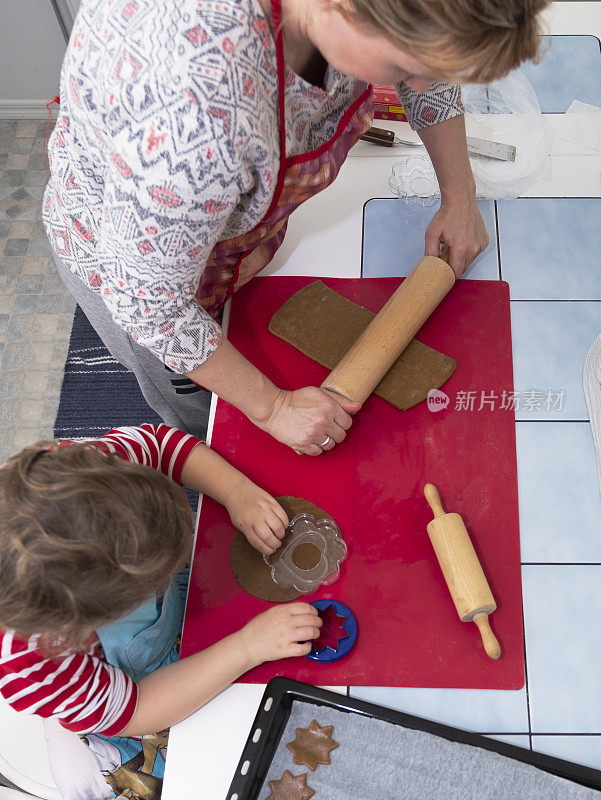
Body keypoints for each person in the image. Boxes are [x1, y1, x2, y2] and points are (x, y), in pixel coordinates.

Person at [44, 0, 546, 454]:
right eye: (404, 69)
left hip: (220, 234)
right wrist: (272, 409)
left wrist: (459, 197)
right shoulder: (192, 111)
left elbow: (426, 58)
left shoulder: (365, 20)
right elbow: (147, 304)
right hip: (137, 274)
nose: (416, 85)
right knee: (205, 412)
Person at [0, 424, 321, 798]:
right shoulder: (30, 663)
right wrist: (247, 647)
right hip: (117, 697)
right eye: (159, 575)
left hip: (133, 644)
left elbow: (165, 447)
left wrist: (237, 492)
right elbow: (139, 709)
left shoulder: (90, 473)